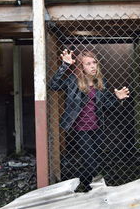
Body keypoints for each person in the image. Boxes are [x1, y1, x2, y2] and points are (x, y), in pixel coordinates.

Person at [49, 49, 130, 191]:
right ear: (81, 67)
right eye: (88, 64)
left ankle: (86, 185)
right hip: (81, 129)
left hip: (97, 127)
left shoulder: (100, 81)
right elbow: (53, 85)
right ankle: (85, 186)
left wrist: (117, 98)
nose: (93, 66)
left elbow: (106, 104)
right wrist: (65, 65)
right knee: (90, 161)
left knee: (95, 160)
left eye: (94, 63)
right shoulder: (73, 81)